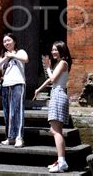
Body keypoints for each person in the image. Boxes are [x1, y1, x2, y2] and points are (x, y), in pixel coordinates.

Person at [33, 40, 72, 173]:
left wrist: (48, 68)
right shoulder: (60, 63)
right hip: (57, 94)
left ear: (62, 50)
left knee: (55, 131)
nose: (53, 52)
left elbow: (53, 79)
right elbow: (51, 80)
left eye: (56, 49)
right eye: (52, 49)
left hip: (58, 95)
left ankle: (62, 161)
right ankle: (60, 160)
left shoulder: (63, 63)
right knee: (56, 130)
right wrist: (39, 89)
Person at [0, 32, 29, 148]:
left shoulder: (20, 52)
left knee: (17, 111)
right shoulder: (4, 56)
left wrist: (12, 55)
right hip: (6, 86)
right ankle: (10, 137)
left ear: (14, 41)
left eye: (8, 40)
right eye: (4, 41)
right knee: (7, 112)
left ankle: (19, 138)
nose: (6, 43)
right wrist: (5, 57)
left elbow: (26, 59)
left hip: (18, 84)